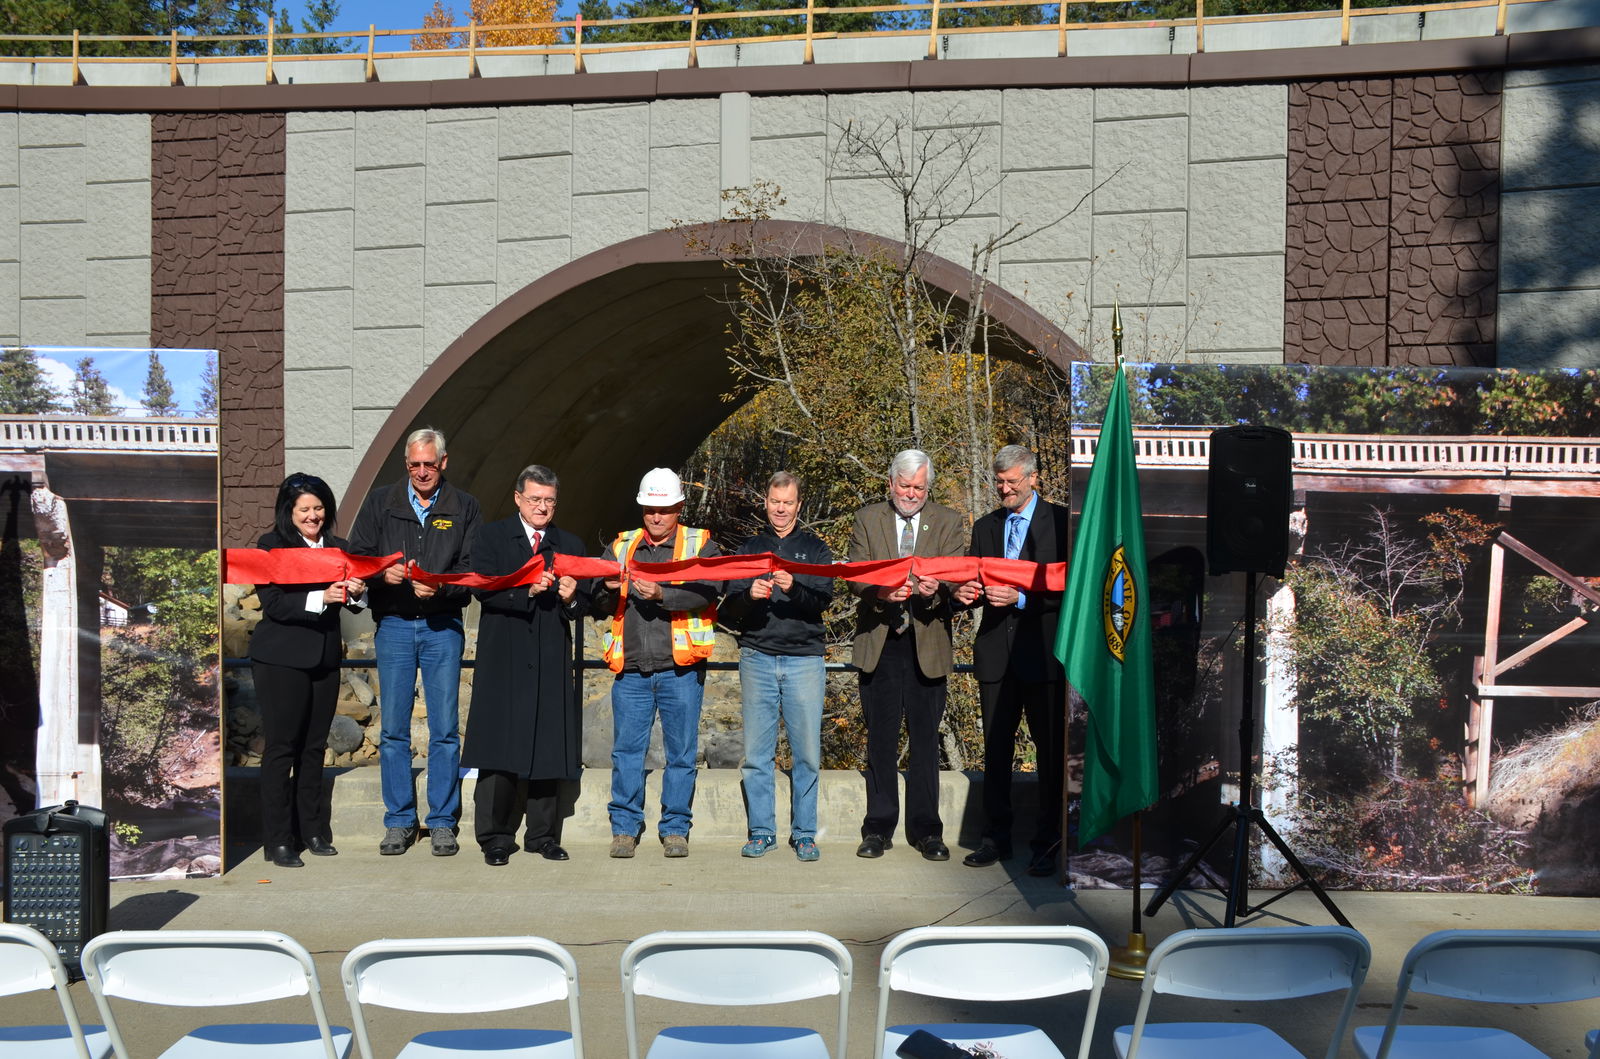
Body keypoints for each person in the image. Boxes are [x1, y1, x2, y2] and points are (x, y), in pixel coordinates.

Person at [347, 427, 481, 857]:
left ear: (444, 463)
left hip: (443, 626)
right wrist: (382, 574)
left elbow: (472, 572)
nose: (422, 472)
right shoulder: (381, 501)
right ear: (406, 465)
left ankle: (442, 821)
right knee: (394, 731)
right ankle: (400, 821)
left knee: (444, 730)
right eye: (414, 465)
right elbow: (359, 557)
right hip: (396, 626)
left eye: (429, 464)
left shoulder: (464, 506)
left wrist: (440, 589)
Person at [590, 468, 721, 859]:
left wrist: (663, 593)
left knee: (681, 754)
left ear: (679, 507)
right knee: (627, 752)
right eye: (649, 508)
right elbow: (596, 601)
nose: (656, 516)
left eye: (663, 509)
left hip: (679, 670)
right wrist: (605, 589)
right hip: (631, 670)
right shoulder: (621, 546)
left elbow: (710, 591)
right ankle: (625, 829)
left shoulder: (701, 545)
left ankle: (675, 828)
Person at [461, 465, 588, 867]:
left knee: (547, 745)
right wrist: (524, 590)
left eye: (549, 500)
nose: (542, 507)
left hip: (549, 655)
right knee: (499, 748)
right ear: (518, 498)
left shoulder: (569, 543)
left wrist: (570, 597)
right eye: (535, 499)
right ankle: (495, 836)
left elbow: (585, 605)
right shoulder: (491, 537)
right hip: (506, 656)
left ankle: (542, 834)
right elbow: (482, 588)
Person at [954, 445, 1068, 877]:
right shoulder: (985, 527)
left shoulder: (1060, 523)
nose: (1004, 489)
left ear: (1033, 478)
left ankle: (1048, 842)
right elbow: (966, 580)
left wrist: (1021, 596)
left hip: (1043, 655)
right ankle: (995, 839)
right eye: (999, 482)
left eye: (1012, 482)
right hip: (996, 659)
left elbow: (1071, 588)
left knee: (1049, 754)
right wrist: (959, 595)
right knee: (996, 753)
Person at [848, 449, 967, 861]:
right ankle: (878, 829)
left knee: (925, 744)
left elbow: (957, 578)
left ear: (927, 487)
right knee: (880, 741)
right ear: (890, 484)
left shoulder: (950, 521)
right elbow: (855, 575)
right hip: (880, 642)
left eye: (919, 487)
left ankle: (927, 831)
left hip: (927, 644)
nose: (911, 493)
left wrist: (940, 590)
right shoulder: (867, 519)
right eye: (905, 486)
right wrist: (879, 592)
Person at [249, 473, 366, 868]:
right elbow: (275, 605)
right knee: (282, 749)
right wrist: (322, 596)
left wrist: (357, 593)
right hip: (280, 659)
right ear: (289, 512)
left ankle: (312, 830)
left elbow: (354, 607)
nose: (313, 515)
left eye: (318, 508)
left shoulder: (339, 547)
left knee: (315, 748)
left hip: (324, 658)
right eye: (305, 509)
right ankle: (279, 840)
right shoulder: (271, 545)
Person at [720, 471, 834, 862]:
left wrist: (792, 587)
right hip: (757, 658)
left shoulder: (816, 550)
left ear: (798, 506)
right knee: (756, 754)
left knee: (806, 754)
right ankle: (762, 832)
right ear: (765, 502)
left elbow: (822, 602)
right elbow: (730, 611)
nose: (780, 509)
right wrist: (750, 595)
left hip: (804, 660)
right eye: (774, 501)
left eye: (788, 502)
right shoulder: (749, 549)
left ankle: (804, 833)